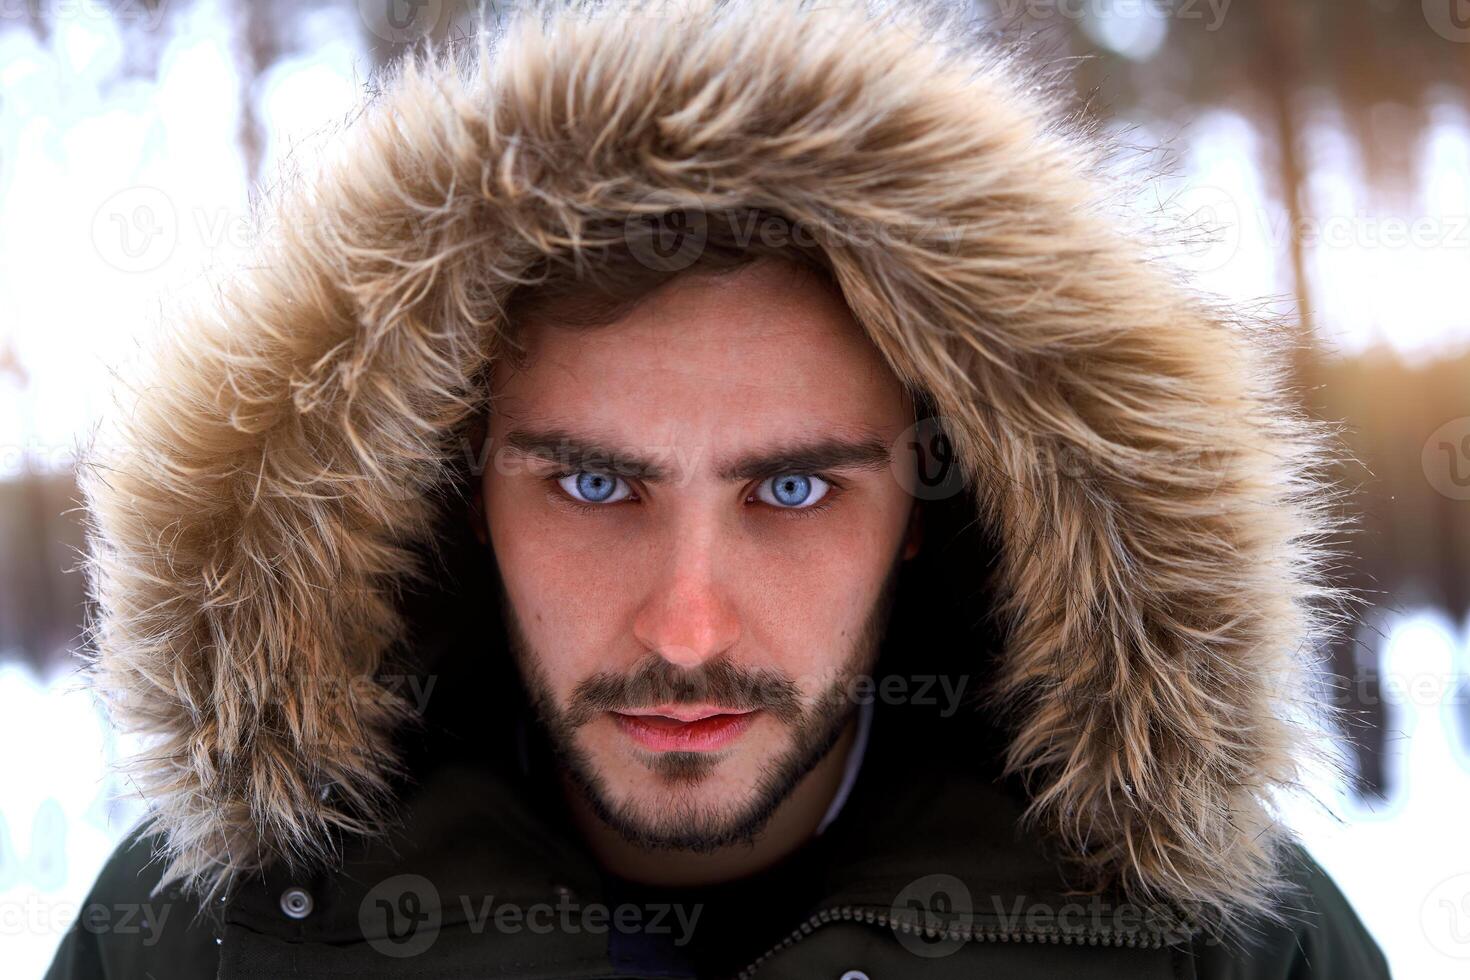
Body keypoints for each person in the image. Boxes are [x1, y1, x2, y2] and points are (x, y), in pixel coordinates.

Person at [47, 0, 1391, 977]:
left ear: (929, 502)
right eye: (589, 484)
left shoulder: (1218, 947)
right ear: (455, 491)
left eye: (793, 493)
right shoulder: (203, 937)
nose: (686, 628)